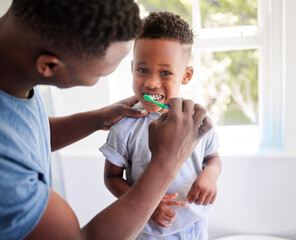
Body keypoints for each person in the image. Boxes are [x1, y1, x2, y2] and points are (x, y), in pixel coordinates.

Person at [0, 1, 213, 240]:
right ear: (49, 66)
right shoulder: (7, 175)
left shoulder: (14, 72)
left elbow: (26, 133)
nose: (150, 83)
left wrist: (98, 118)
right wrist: (166, 162)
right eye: (101, 73)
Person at [100, 11, 222, 240]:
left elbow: (212, 159)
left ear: (186, 76)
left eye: (165, 72)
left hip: (196, 225)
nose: (151, 83)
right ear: (132, 67)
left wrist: (210, 176)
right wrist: (145, 205)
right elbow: (111, 178)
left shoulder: (197, 119)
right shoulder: (124, 125)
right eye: (142, 70)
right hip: (149, 231)